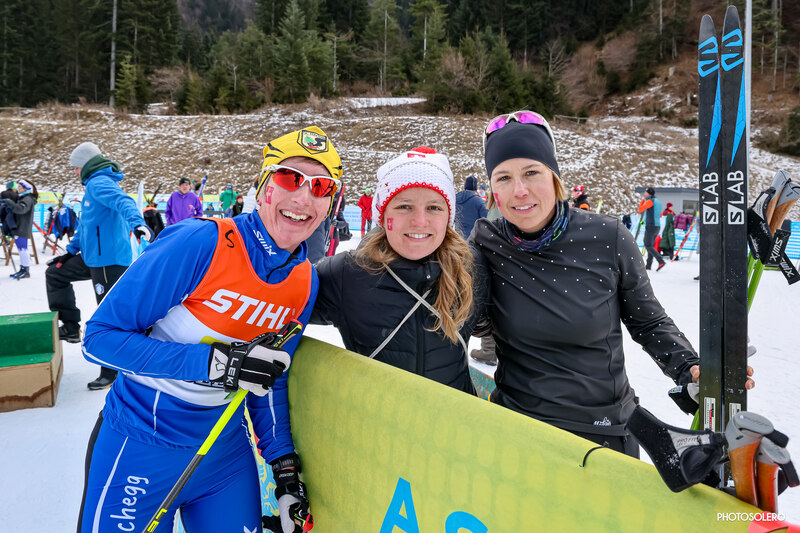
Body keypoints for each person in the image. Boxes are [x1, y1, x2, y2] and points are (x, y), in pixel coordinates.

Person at [77, 126, 342, 533]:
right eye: (290, 178)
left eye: (321, 186)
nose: (303, 197)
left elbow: (270, 377)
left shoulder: (304, 282)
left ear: (329, 205)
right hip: (141, 442)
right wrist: (217, 363)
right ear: (264, 187)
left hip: (224, 456)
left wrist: (285, 471)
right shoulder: (201, 242)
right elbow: (99, 339)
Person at [470, 110, 721, 456]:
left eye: (531, 172)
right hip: (517, 431)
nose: (520, 191)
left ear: (554, 176)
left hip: (602, 435)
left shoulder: (607, 237)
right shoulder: (487, 241)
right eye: (503, 178)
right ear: (492, 189)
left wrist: (689, 367)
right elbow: (457, 316)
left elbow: (648, 321)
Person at [312, 146, 484, 394]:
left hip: (454, 417)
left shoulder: (471, 268)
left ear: (448, 217)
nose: (420, 221)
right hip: (376, 416)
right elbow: (278, 304)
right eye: (404, 206)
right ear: (383, 216)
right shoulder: (346, 273)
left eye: (434, 207)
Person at [46, 142, 151, 390]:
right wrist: (70, 252)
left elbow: (124, 202)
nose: (75, 172)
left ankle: (112, 371)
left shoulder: (99, 183)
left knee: (107, 315)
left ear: (86, 164)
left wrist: (138, 224)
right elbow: (86, 226)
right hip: (92, 257)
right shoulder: (92, 185)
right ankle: (71, 326)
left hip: (108, 261)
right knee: (55, 273)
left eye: (76, 167)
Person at [3, 179, 37, 279]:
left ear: (25, 188)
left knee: (23, 249)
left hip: (22, 227)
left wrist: (9, 202)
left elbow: (21, 209)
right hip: (20, 227)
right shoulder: (23, 197)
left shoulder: (27, 199)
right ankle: (23, 269)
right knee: (21, 249)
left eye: (20, 187)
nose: (18, 189)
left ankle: (25, 271)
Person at [639, 187, 666, 271]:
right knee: (650, 246)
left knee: (647, 245)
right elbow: (660, 215)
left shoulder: (650, 201)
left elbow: (640, 209)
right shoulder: (657, 201)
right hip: (657, 226)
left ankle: (661, 261)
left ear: (649, 193)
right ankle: (648, 265)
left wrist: (642, 200)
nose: (644, 193)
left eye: (646, 192)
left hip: (651, 226)